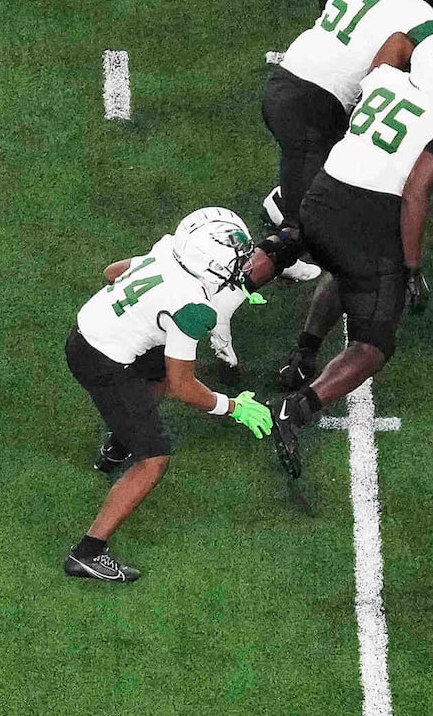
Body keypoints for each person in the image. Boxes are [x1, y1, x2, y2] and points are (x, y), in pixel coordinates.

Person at [258, 33, 433, 481]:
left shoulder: (383, 80)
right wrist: (411, 266)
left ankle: (301, 356)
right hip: (365, 217)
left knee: (343, 271)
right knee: (373, 344)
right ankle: (294, 410)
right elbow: (416, 195)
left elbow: (395, 44)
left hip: (321, 195)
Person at [62, 207, 278, 583]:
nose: (244, 265)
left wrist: (142, 317)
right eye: (238, 260)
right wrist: (232, 407)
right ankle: (87, 553)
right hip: (103, 363)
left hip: (87, 333)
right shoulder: (193, 308)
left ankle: (118, 445)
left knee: (158, 367)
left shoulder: (168, 251)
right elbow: (184, 386)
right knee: (155, 460)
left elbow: (113, 272)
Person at [263, 0, 433, 232]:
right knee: (310, 222)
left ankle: (284, 200)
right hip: (320, 101)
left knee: (315, 163)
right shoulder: (425, 20)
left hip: (288, 76)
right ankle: (286, 247)